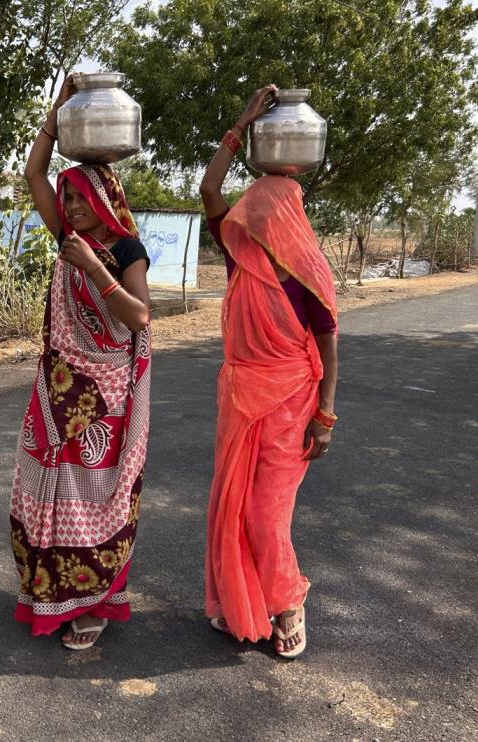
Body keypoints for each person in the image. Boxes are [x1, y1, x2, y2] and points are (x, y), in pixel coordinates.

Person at [11, 75, 153, 651]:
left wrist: (94, 268)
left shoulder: (124, 250)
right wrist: (59, 110)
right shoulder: (66, 235)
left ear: (103, 201)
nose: (68, 205)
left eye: (78, 198)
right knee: (43, 489)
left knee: (96, 497)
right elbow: (32, 174)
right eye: (66, 198)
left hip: (105, 394)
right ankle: (50, 596)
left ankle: (93, 601)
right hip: (57, 386)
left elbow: (139, 317)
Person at [199, 85, 340, 659]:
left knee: (264, 509)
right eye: (248, 211)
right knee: (232, 503)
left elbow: (329, 348)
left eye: (260, 211)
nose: (249, 218)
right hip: (241, 394)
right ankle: (241, 603)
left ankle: (286, 603)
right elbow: (209, 189)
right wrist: (241, 124)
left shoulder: (308, 270)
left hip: (291, 402)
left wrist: (326, 415)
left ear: (285, 216)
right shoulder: (241, 257)